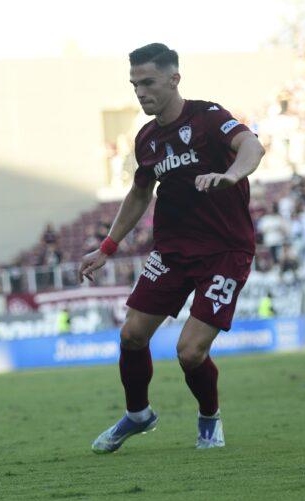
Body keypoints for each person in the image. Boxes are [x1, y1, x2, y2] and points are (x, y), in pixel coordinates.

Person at [78, 43, 265, 453]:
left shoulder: (208, 117)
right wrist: (107, 247)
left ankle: (209, 418)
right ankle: (138, 414)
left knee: (190, 352)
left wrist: (232, 175)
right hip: (173, 252)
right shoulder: (147, 138)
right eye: (134, 85)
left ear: (174, 79)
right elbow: (139, 193)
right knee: (131, 335)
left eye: (148, 82)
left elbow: (252, 146)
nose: (140, 92)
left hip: (225, 252)